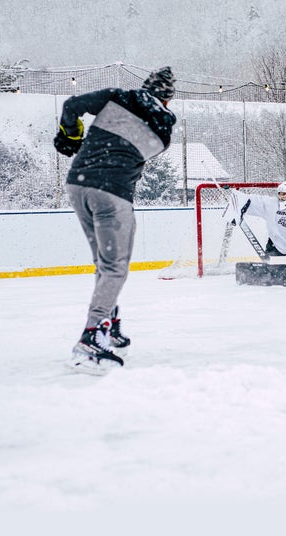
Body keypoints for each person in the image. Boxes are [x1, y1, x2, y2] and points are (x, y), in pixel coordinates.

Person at [54, 67, 177, 372]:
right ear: (168, 100)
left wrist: (71, 135)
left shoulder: (116, 97)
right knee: (114, 268)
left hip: (78, 184)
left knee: (102, 263)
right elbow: (129, 155)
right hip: (112, 193)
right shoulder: (163, 133)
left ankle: (107, 320)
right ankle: (93, 333)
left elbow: (71, 106)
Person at [222, 181, 286, 260]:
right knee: (269, 276)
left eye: (284, 194)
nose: (281, 196)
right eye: (279, 193)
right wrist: (234, 196)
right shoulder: (271, 204)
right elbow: (251, 200)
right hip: (275, 246)